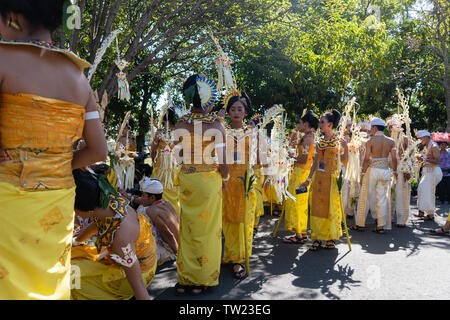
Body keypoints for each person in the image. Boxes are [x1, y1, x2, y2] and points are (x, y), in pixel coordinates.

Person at [0, 1, 107, 299]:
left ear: (12, 16)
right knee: (50, 284)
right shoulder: (79, 78)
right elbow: (99, 151)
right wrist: (56, 164)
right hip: (57, 201)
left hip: (8, 201)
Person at [173, 74, 229, 295]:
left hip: (187, 179)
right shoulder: (216, 125)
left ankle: (185, 279)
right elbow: (223, 163)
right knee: (208, 230)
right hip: (208, 181)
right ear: (207, 97)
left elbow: (177, 156)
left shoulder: (179, 123)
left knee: (187, 229)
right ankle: (203, 279)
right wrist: (224, 179)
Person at [70, 169, 156, 300]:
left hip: (134, 275)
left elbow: (138, 284)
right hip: (131, 258)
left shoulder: (121, 240)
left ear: (85, 210)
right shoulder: (108, 200)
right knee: (75, 254)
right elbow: (98, 223)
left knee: (70, 277)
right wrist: (76, 240)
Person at [298, 109, 348, 251]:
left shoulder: (338, 142)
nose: (320, 125)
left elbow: (344, 163)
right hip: (318, 179)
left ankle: (330, 237)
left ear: (330, 125)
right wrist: (308, 179)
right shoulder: (319, 143)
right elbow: (315, 163)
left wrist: (345, 147)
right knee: (317, 209)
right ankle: (318, 237)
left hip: (331, 180)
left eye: (322, 122)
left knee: (330, 209)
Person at [222, 94, 258, 279]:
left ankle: (239, 259)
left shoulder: (252, 133)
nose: (236, 112)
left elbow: (260, 158)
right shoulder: (222, 131)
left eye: (239, 109)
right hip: (226, 182)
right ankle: (229, 254)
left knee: (242, 220)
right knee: (227, 220)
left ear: (245, 112)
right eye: (233, 109)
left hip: (244, 183)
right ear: (228, 111)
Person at [353, 118, 397, 233]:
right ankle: (380, 226)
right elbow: (394, 159)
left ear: (374, 128)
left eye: (371, 128)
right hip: (385, 171)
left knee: (365, 196)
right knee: (382, 198)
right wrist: (395, 172)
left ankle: (360, 224)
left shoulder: (370, 141)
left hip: (373, 170)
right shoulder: (391, 141)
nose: (370, 130)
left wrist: (362, 173)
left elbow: (366, 159)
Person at [283, 110, 318, 244]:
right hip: (303, 173)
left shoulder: (307, 139)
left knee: (298, 203)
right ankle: (301, 232)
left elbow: (303, 159)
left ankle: (299, 234)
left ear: (306, 123)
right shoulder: (310, 136)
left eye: (300, 122)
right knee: (300, 203)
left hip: (301, 174)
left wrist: (291, 157)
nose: (299, 125)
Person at [137, 178, 179, 266]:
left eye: (143, 195)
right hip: (179, 242)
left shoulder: (151, 210)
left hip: (171, 248)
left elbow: (167, 234)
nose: (142, 198)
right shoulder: (166, 202)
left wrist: (178, 254)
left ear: (152, 197)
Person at [150, 108, 180, 216]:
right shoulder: (178, 131)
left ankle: (161, 216)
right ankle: (175, 217)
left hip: (161, 167)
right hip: (174, 167)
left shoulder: (160, 132)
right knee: (173, 192)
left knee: (159, 191)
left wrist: (153, 160)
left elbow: (153, 149)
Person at [415, 130, 442, 221]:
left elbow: (438, 161)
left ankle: (430, 214)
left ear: (426, 137)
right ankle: (429, 213)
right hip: (427, 172)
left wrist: (424, 158)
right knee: (426, 191)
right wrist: (421, 160)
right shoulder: (427, 146)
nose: (420, 140)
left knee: (426, 191)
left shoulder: (434, 147)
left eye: (421, 138)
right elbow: (427, 160)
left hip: (433, 172)